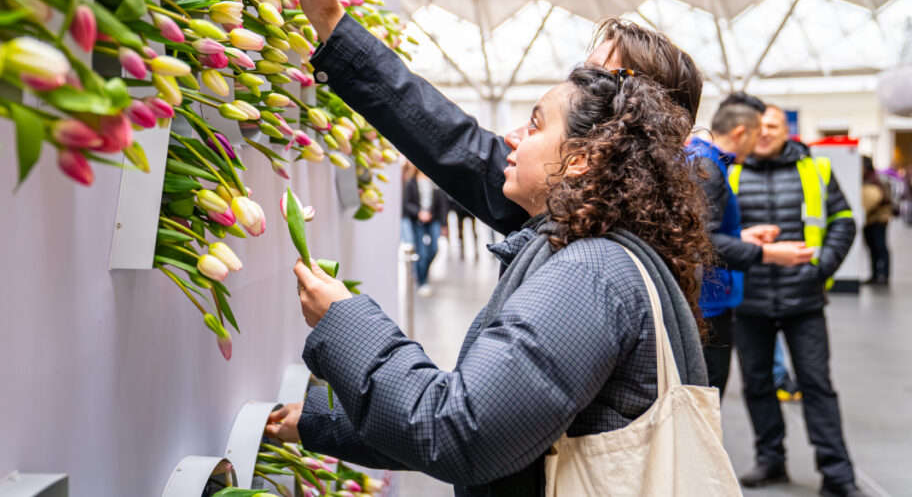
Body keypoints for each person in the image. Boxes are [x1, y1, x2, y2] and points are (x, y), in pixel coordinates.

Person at [267, 66, 716, 496]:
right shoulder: (586, 255)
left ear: (580, 160)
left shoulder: (587, 274)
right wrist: (318, 421)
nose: (512, 137)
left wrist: (343, 320)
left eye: (535, 126)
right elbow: (506, 421)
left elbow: (460, 432)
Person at [283, 0, 705, 242]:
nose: (577, 90)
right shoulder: (582, 211)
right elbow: (449, 138)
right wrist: (330, 19)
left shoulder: (591, 267)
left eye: (597, 81)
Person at [730, 105, 863, 497]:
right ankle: (770, 460)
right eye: (760, 127)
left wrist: (819, 269)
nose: (766, 133)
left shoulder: (815, 169)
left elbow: (843, 221)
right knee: (757, 385)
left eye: (773, 126)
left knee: (816, 385)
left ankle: (838, 475)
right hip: (749, 301)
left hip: (804, 300)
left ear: (786, 130)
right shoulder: (731, 172)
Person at [688, 92, 813, 397]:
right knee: (708, 398)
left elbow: (694, 230)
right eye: (757, 134)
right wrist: (769, 253)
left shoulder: (700, 159)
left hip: (703, 302)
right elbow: (703, 244)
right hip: (709, 307)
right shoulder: (710, 169)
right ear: (741, 132)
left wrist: (742, 237)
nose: (759, 143)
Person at [402, 168, 448, 296]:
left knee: (433, 249)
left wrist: (444, 224)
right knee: (421, 251)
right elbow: (406, 203)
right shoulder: (411, 182)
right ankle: (422, 281)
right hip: (418, 221)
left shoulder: (435, 180)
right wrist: (418, 213)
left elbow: (443, 204)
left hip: (434, 219)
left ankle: (422, 273)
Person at [861, 156, 893, 286]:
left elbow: (875, 199)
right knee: (872, 248)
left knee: (880, 247)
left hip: (878, 220)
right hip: (869, 220)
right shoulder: (867, 181)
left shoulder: (874, 182)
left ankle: (884, 275)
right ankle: (875, 274)